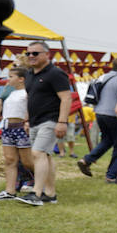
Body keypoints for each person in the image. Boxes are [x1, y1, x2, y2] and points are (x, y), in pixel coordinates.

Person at [20, 41, 73, 206]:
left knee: (38, 153)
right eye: (28, 53)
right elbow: (30, 98)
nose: (31, 56)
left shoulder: (56, 73)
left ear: (47, 55)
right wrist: (27, 119)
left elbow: (66, 98)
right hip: (35, 121)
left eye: (35, 53)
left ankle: (36, 193)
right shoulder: (29, 74)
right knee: (46, 156)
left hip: (51, 120)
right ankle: (50, 194)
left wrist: (62, 122)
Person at [77, 57, 117, 177]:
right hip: (113, 114)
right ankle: (113, 172)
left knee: (107, 140)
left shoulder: (102, 76)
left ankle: (87, 160)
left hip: (99, 112)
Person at [0, 66, 36, 201]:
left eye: (11, 77)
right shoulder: (9, 93)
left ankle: (42, 184)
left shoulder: (27, 93)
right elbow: (0, 109)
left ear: (21, 79)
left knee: (27, 161)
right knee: (10, 160)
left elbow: (31, 109)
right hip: (8, 127)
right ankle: (10, 191)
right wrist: (2, 97)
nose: (8, 79)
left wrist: (28, 121)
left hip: (21, 128)